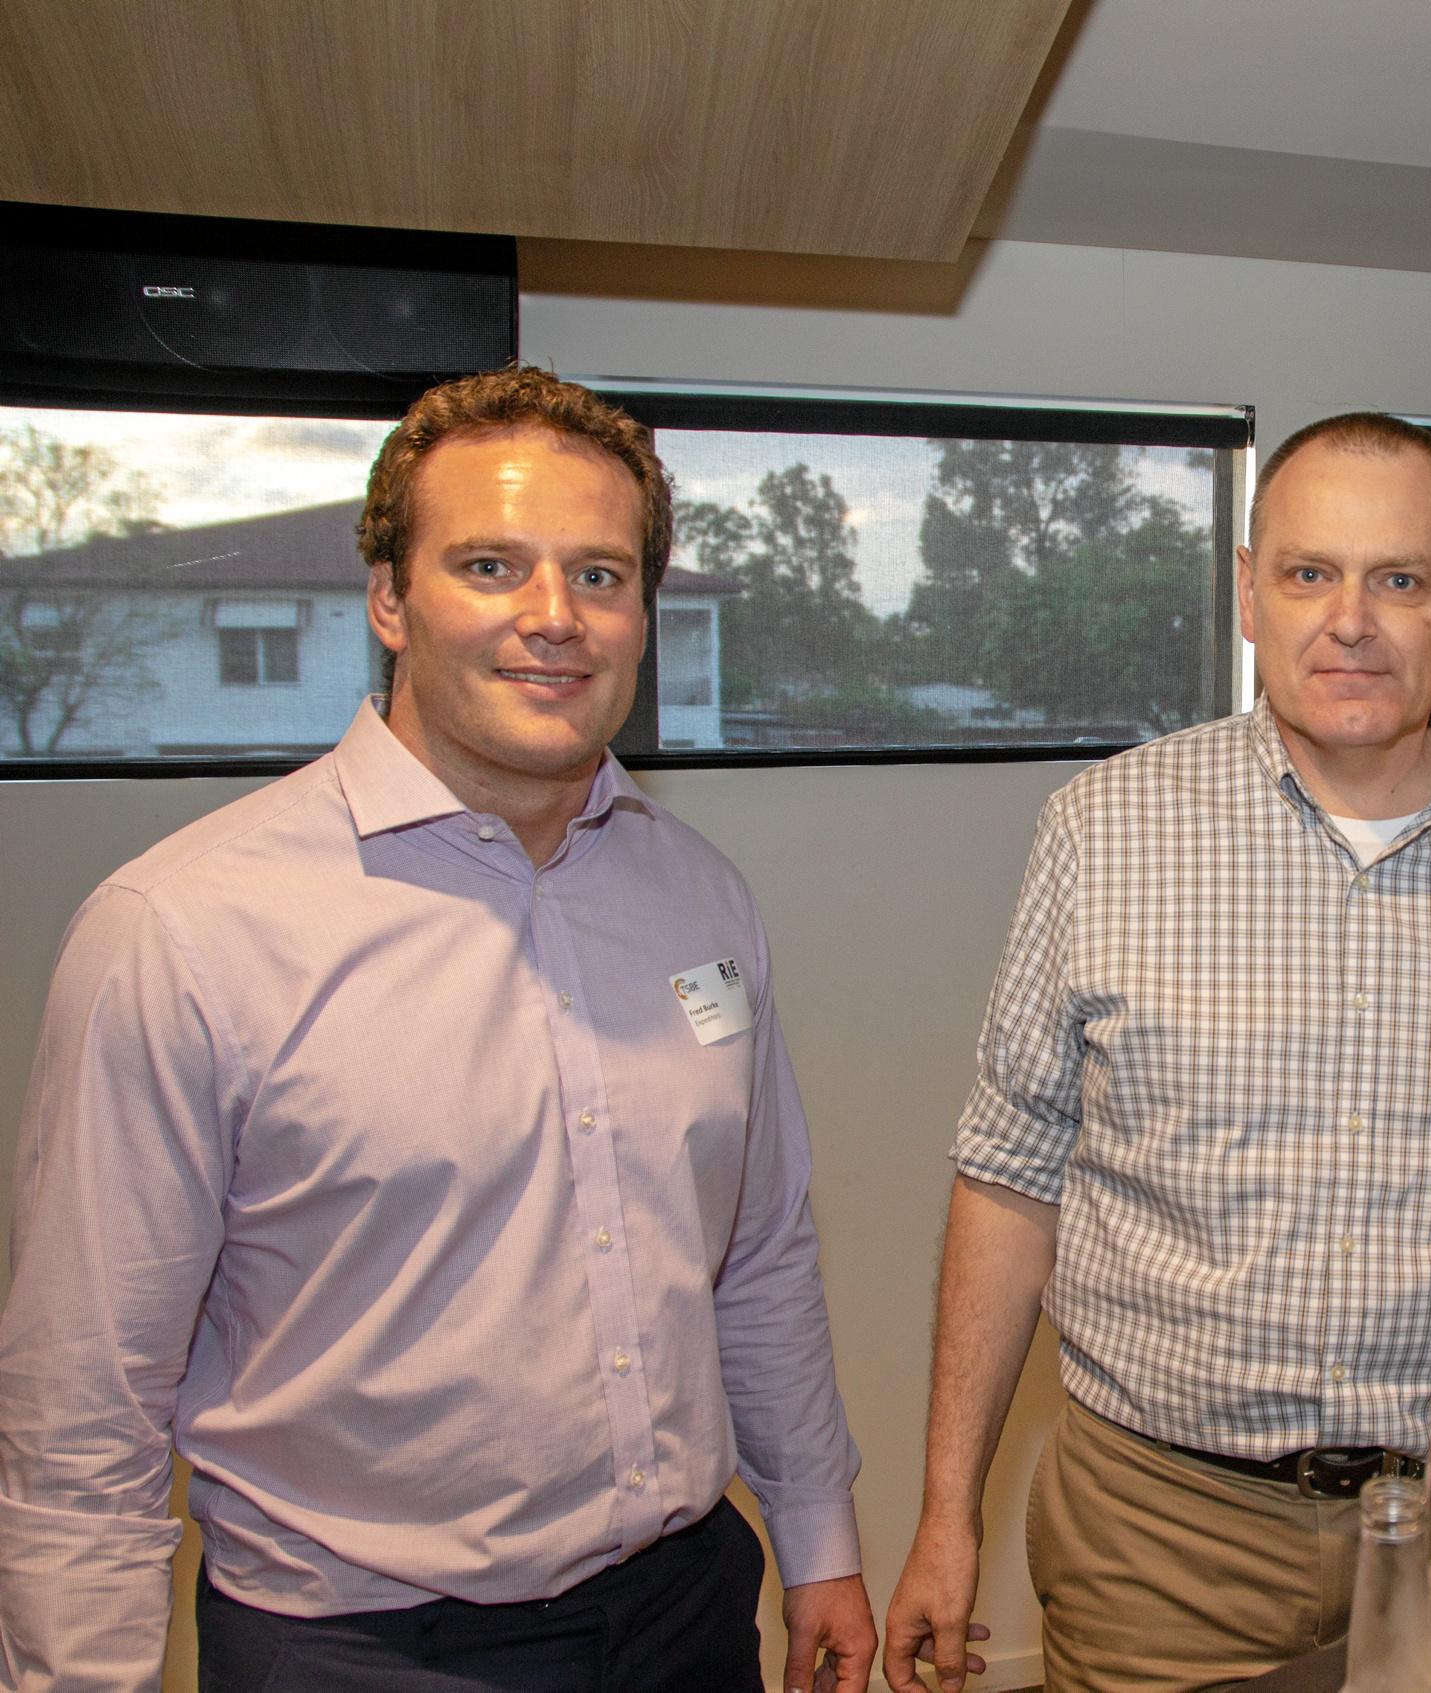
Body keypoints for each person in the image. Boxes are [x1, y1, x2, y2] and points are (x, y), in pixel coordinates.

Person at [0, 368, 873, 1693]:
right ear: (391, 600)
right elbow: (85, 1403)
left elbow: (756, 1255)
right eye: (488, 565)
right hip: (358, 1650)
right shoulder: (180, 933)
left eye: (599, 574)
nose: (552, 618)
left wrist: (818, 1539)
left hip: (685, 1615)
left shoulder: (700, 897)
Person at [882, 413, 1431, 1693]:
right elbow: (1010, 1178)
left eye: (1401, 578)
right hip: (1164, 1542)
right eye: (1309, 573)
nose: (1353, 619)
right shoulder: (1103, 832)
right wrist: (944, 1516)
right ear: (1247, 593)